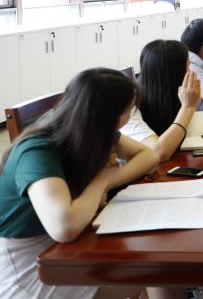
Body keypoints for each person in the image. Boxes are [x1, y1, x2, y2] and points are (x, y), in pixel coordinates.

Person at [0, 68, 159, 298]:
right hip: (27, 264)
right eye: (130, 109)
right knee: (152, 272)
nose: (130, 114)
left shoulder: (91, 132)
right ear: (110, 115)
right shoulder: (37, 150)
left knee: (152, 265)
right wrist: (102, 179)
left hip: (66, 245)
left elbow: (149, 156)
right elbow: (64, 227)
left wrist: (107, 180)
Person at [120, 40, 201, 162]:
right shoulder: (129, 105)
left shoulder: (169, 95)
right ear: (173, 74)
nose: (191, 73)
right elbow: (159, 152)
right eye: (187, 68)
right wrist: (188, 107)